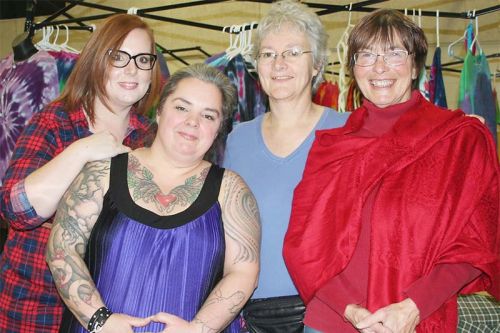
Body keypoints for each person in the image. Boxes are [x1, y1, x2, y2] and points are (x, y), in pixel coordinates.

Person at [283, 9, 499, 333]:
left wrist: (415, 306)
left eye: (394, 52)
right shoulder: (332, 146)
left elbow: (477, 241)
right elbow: (304, 246)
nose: (379, 67)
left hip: (416, 320)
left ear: (415, 66)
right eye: (366, 55)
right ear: (353, 68)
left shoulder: (459, 139)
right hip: (331, 321)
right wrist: (349, 309)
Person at [46, 63, 261, 333]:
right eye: (182, 107)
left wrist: (197, 329)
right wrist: (101, 320)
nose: (192, 122)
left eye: (208, 116)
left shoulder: (232, 190)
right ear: (159, 111)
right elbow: (61, 249)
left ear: (218, 129)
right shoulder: (102, 172)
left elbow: (243, 272)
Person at [0, 14, 162, 333]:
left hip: (112, 311)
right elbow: (16, 210)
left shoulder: (151, 140)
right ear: (95, 61)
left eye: (143, 59)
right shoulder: (55, 122)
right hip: (36, 309)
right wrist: (83, 150)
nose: (132, 69)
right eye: (118, 57)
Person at [222, 1, 349, 332]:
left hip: (328, 312)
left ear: (317, 63)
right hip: (251, 315)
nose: (278, 63)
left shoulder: (348, 131)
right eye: (267, 54)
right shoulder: (238, 140)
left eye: (293, 52)